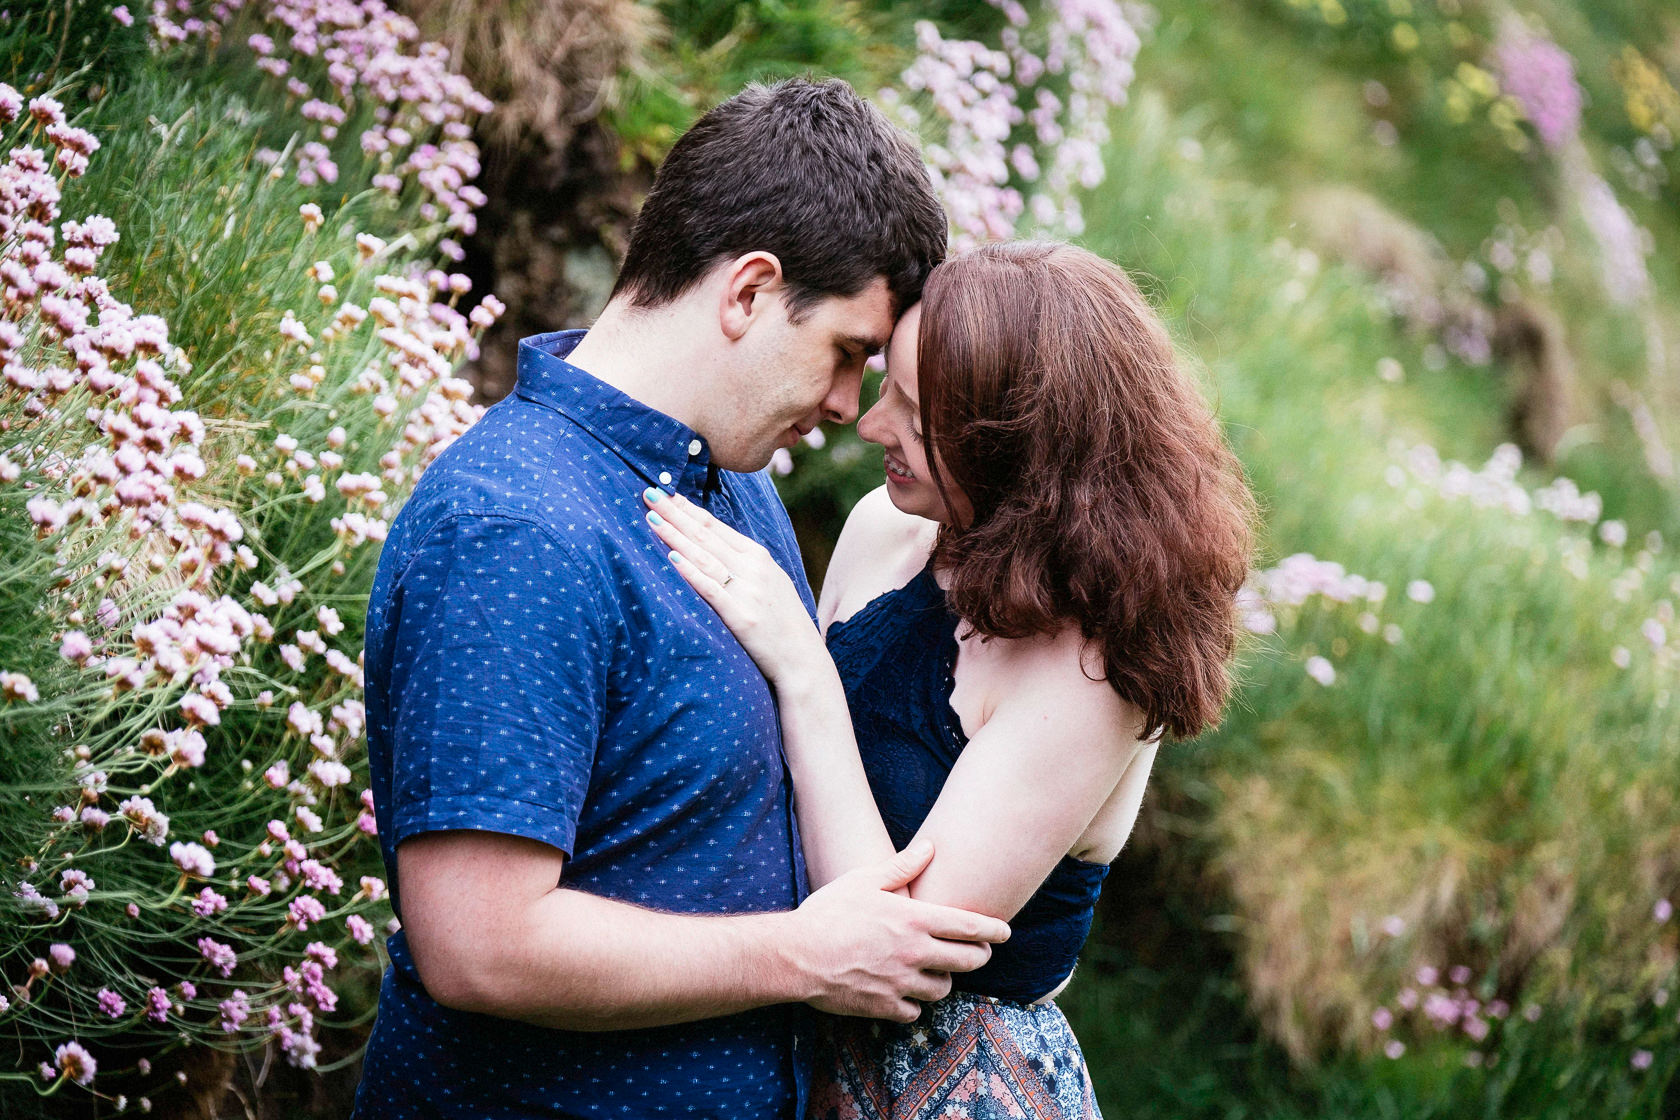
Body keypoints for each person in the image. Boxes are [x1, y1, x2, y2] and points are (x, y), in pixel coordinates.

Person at [352, 79, 1014, 1120]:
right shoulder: (517, 526)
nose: (847, 408)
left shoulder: (733, 486)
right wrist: (802, 956)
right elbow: (478, 944)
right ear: (749, 291)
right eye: (847, 353)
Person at [641, 240, 1256, 1118]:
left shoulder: (1098, 668)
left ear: (1021, 454)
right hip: (785, 1052)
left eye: (917, 417)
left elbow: (896, 954)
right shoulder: (885, 530)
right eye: (886, 383)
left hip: (958, 1088)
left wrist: (804, 672)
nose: (870, 424)